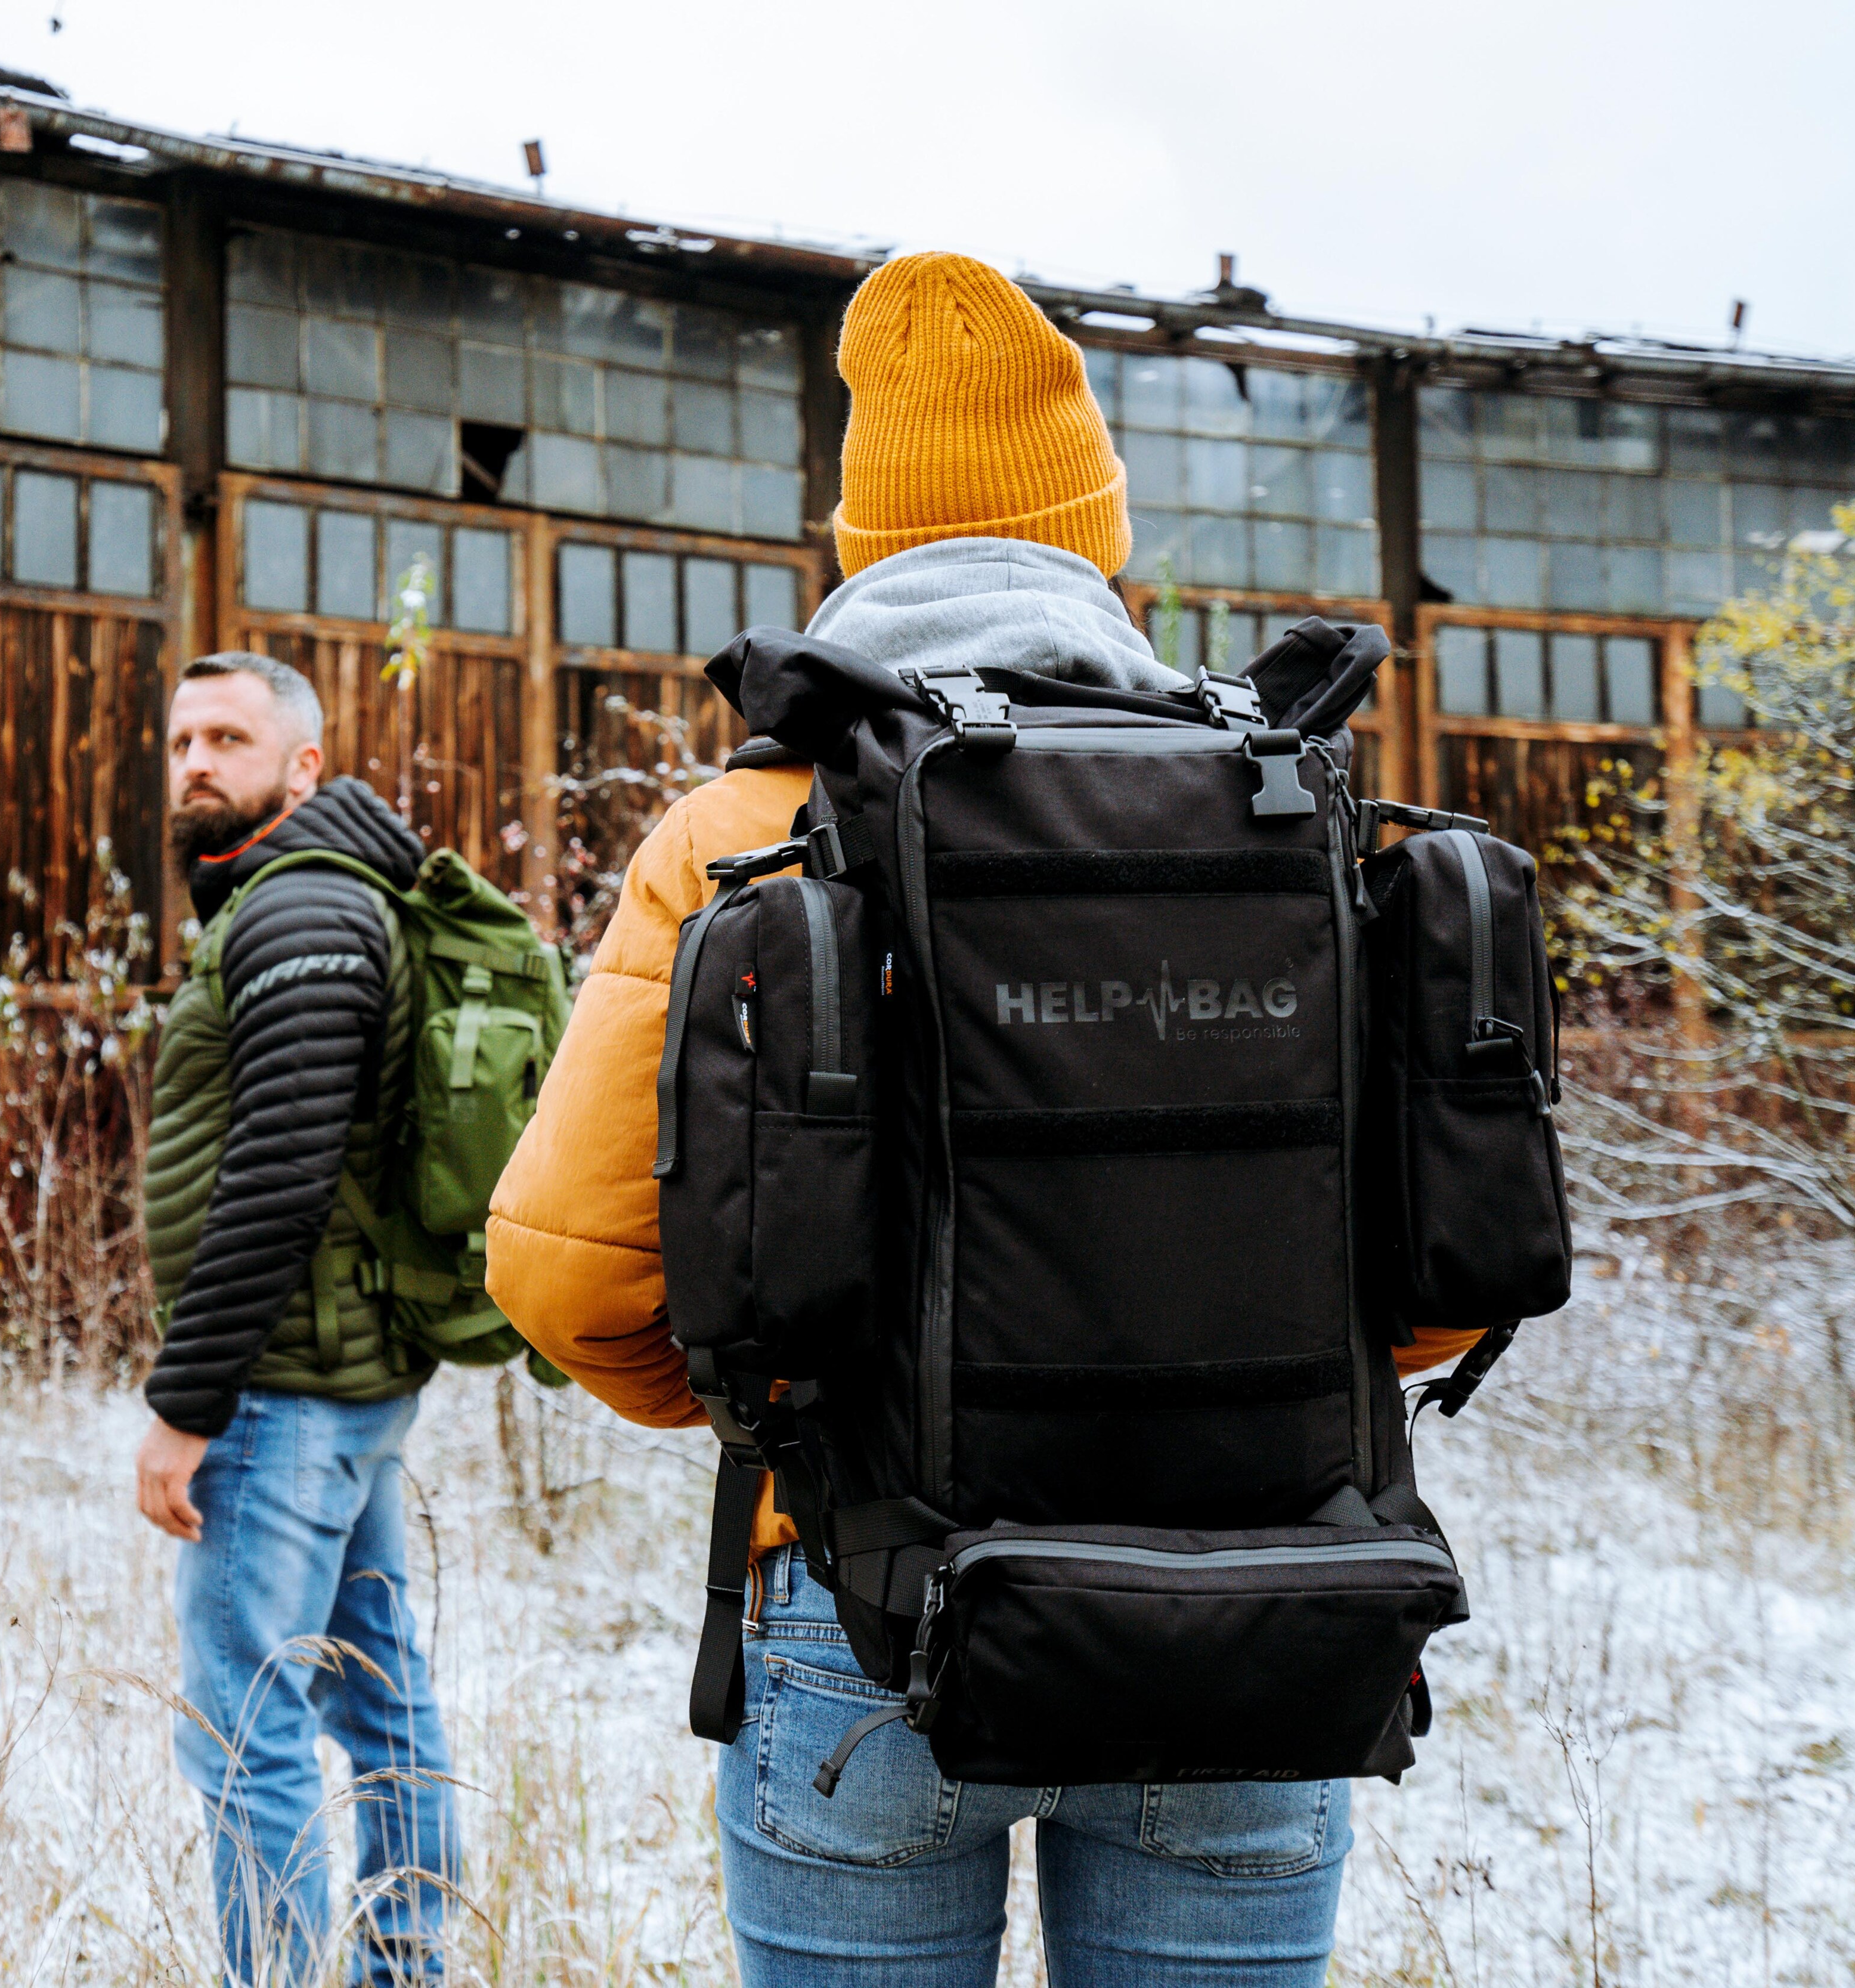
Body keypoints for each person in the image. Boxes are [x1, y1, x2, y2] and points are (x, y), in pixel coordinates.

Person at [485, 252, 1485, 1987]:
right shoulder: (1282, 805)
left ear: (859, 540)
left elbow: (568, 1280)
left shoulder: (741, 822)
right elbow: (1449, 1265)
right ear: (1100, 539)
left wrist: (785, 1424)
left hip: (866, 1618)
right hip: (1258, 1613)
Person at [135, 651, 455, 1987]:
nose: (197, 760)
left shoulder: (301, 909)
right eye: (182, 739)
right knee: (378, 1696)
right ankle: (405, 1967)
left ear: (304, 766)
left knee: (244, 1719)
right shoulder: (305, 897)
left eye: (230, 737)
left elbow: (280, 1170)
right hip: (345, 1378)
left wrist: (183, 1402)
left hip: (282, 1388)